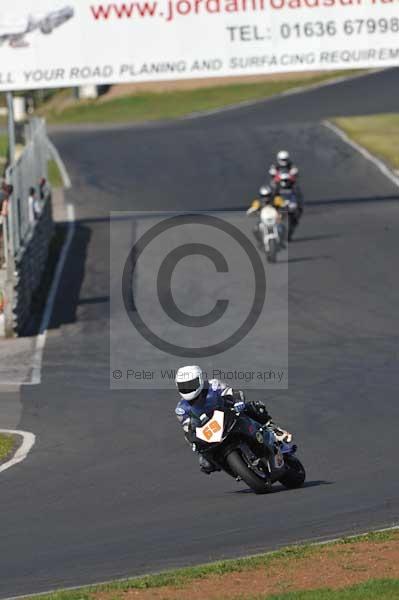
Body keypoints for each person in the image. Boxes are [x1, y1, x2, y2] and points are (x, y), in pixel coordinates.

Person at [175, 365, 291, 474]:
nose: (188, 388)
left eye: (190, 384)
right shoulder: (181, 408)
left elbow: (231, 392)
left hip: (227, 415)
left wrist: (237, 401)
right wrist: (194, 441)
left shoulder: (213, 385)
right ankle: (230, 467)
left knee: (253, 407)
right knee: (205, 462)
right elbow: (187, 427)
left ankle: (272, 427)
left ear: (199, 380)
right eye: (183, 386)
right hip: (210, 431)